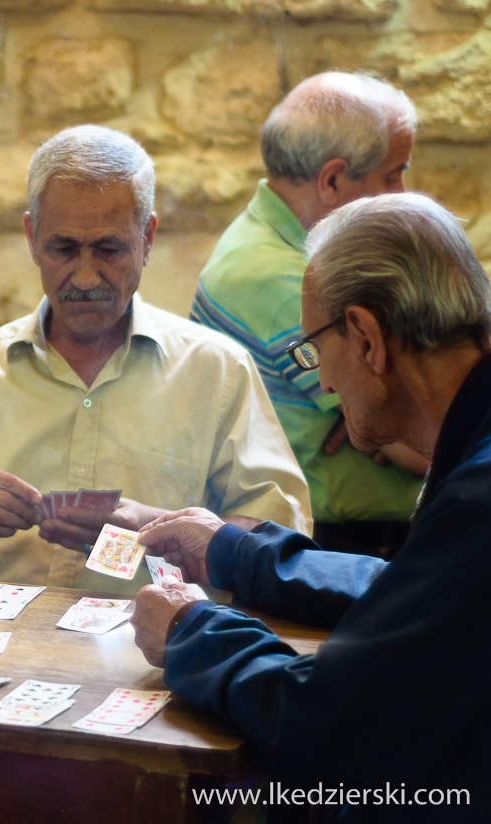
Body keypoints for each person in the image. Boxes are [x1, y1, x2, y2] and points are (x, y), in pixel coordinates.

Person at [132, 193, 491, 822]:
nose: (321, 379)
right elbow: (419, 599)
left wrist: (193, 631)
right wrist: (236, 551)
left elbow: (327, 725)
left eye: (312, 348)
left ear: (366, 338)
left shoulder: (479, 497)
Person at [0, 125, 310, 591]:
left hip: (159, 654)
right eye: (63, 248)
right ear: (32, 237)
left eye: (108, 249)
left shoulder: (216, 372)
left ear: (147, 239)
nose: (84, 276)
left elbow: (282, 544)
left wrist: (160, 525)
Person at [191, 72, 425, 557]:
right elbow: (426, 441)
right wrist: (391, 409)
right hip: (337, 547)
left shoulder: (283, 242)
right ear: (332, 179)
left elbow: (402, 410)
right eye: (392, 174)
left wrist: (378, 408)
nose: (404, 193)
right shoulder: (281, 281)